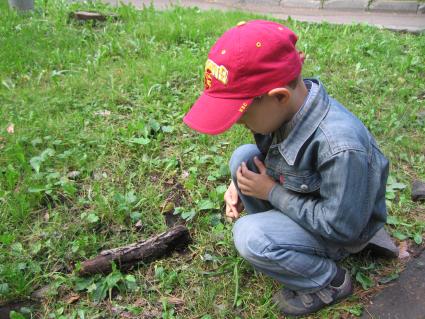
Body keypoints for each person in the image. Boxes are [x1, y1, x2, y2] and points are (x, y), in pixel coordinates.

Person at [183, 19, 390, 316]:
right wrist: (239, 184)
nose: (240, 124)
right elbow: (276, 155)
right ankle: (279, 235)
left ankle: (328, 282)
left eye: (242, 117)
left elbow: (341, 228)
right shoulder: (285, 110)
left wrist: (272, 192)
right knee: (242, 157)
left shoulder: (340, 146)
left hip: (341, 230)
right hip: (306, 197)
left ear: (278, 96)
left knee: (249, 235)